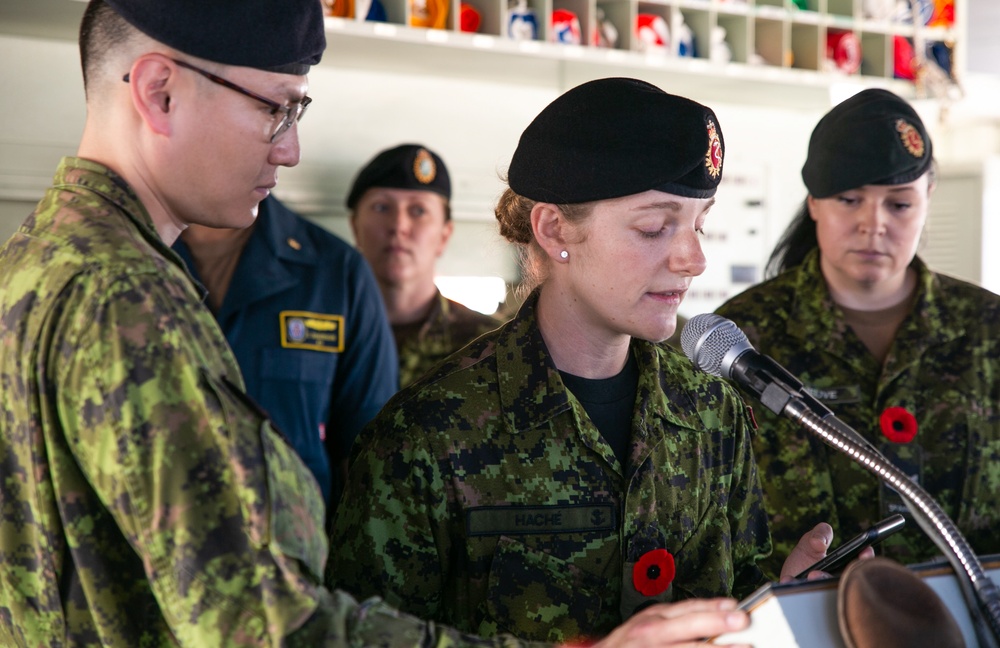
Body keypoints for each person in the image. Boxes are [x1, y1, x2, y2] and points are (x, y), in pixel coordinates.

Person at [0, 2, 782, 645]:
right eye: (275, 108)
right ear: (160, 92)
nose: (293, 148)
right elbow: (266, 626)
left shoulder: (42, 263)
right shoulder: (126, 302)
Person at [328, 77, 834, 645]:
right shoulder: (425, 437)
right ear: (554, 229)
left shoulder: (712, 413)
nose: (693, 258)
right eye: (654, 227)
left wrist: (780, 606)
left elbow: (737, 591)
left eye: (699, 223)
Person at [715, 88, 1000, 577]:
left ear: (928, 198)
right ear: (814, 203)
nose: (874, 225)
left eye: (900, 205)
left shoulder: (987, 330)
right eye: (850, 200)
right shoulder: (742, 342)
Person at [173, 194, 398, 512]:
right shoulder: (128, 256)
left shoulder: (335, 271)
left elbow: (369, 455)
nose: (287, 154)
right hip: (152, 545)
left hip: (294, 547)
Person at [347, 143, 504, 388]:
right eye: (382, 207)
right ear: (356, 227)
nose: (399, 225)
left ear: (444, 235)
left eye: (418, 210)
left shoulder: (489, 347)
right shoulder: (323, 333)